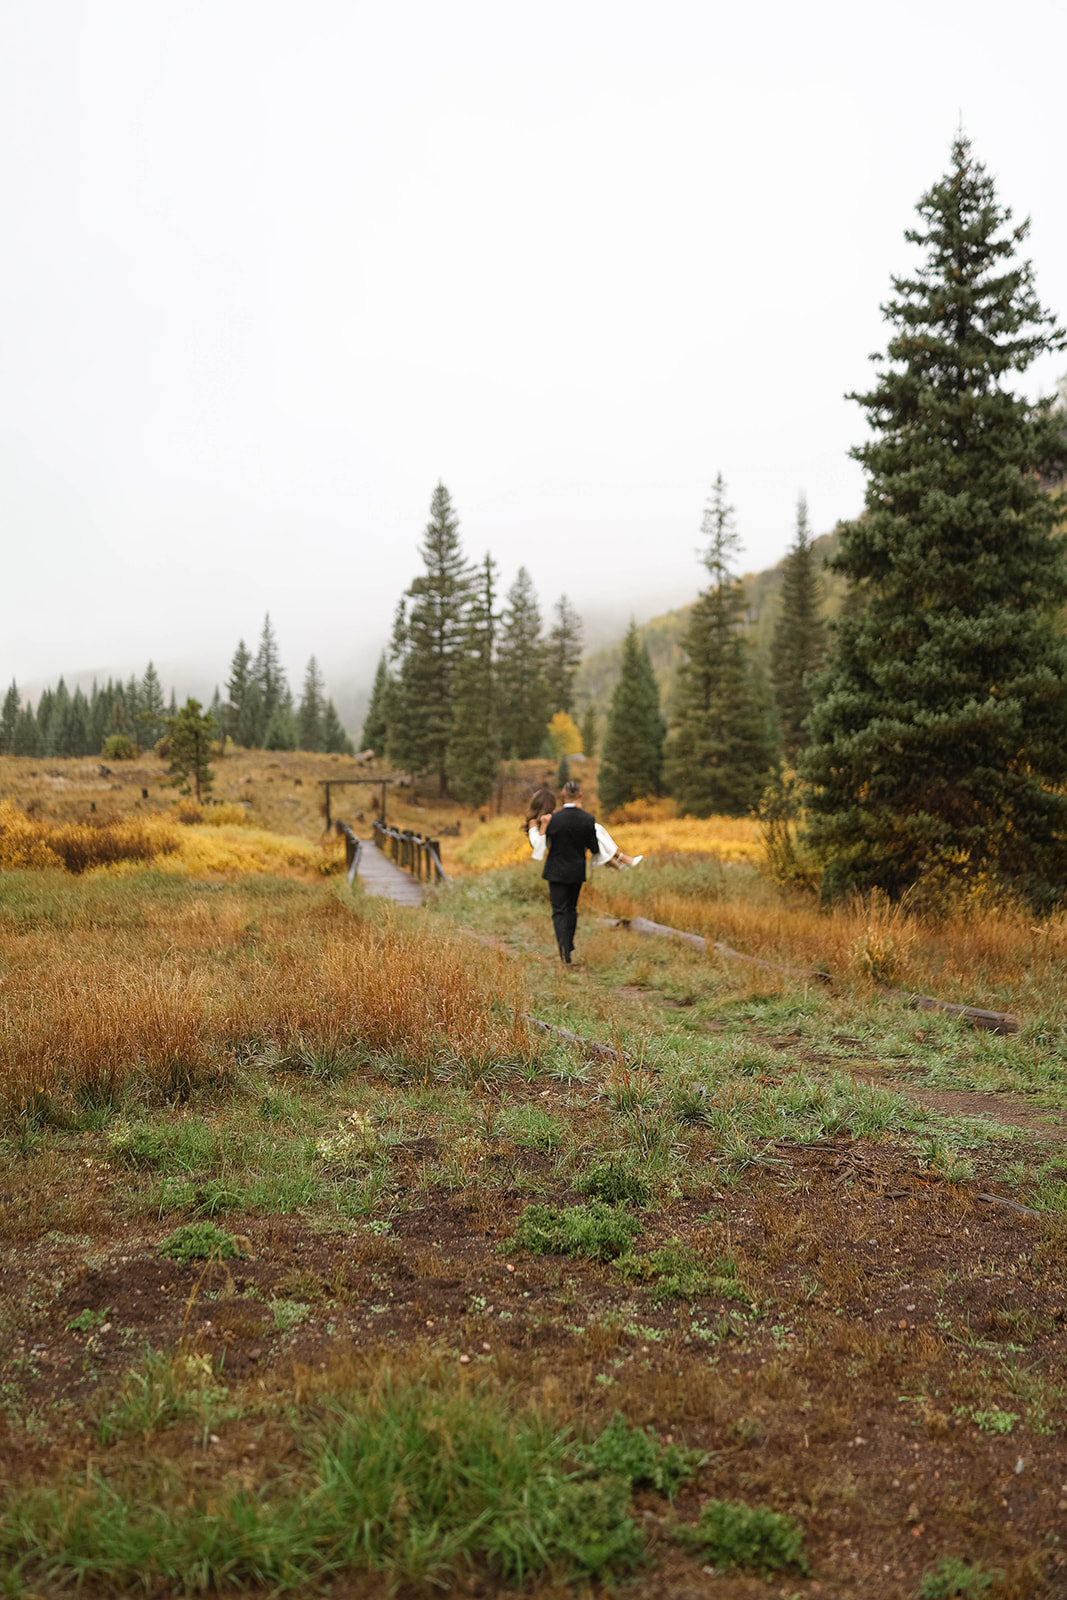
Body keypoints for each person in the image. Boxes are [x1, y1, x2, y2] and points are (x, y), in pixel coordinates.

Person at [530, 779, 641, 965]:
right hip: (576, 872)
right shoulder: (588, 820)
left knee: (559, 912)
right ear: (580, 795)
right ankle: (569, 945)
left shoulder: (552, 819)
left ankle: (565, 952)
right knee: (572, 910)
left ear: (563, 795)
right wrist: (602, 857)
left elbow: (542, 845)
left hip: (555, 872)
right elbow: (594, 848)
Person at [523, 786, 642, 871]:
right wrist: (544, 825)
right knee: (592, 829)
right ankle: (619, 859)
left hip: (565, 841)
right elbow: (537, 848)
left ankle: (615, 861)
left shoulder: (551, 816)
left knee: (594, 828)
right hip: (560, 846)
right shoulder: (533, 822)